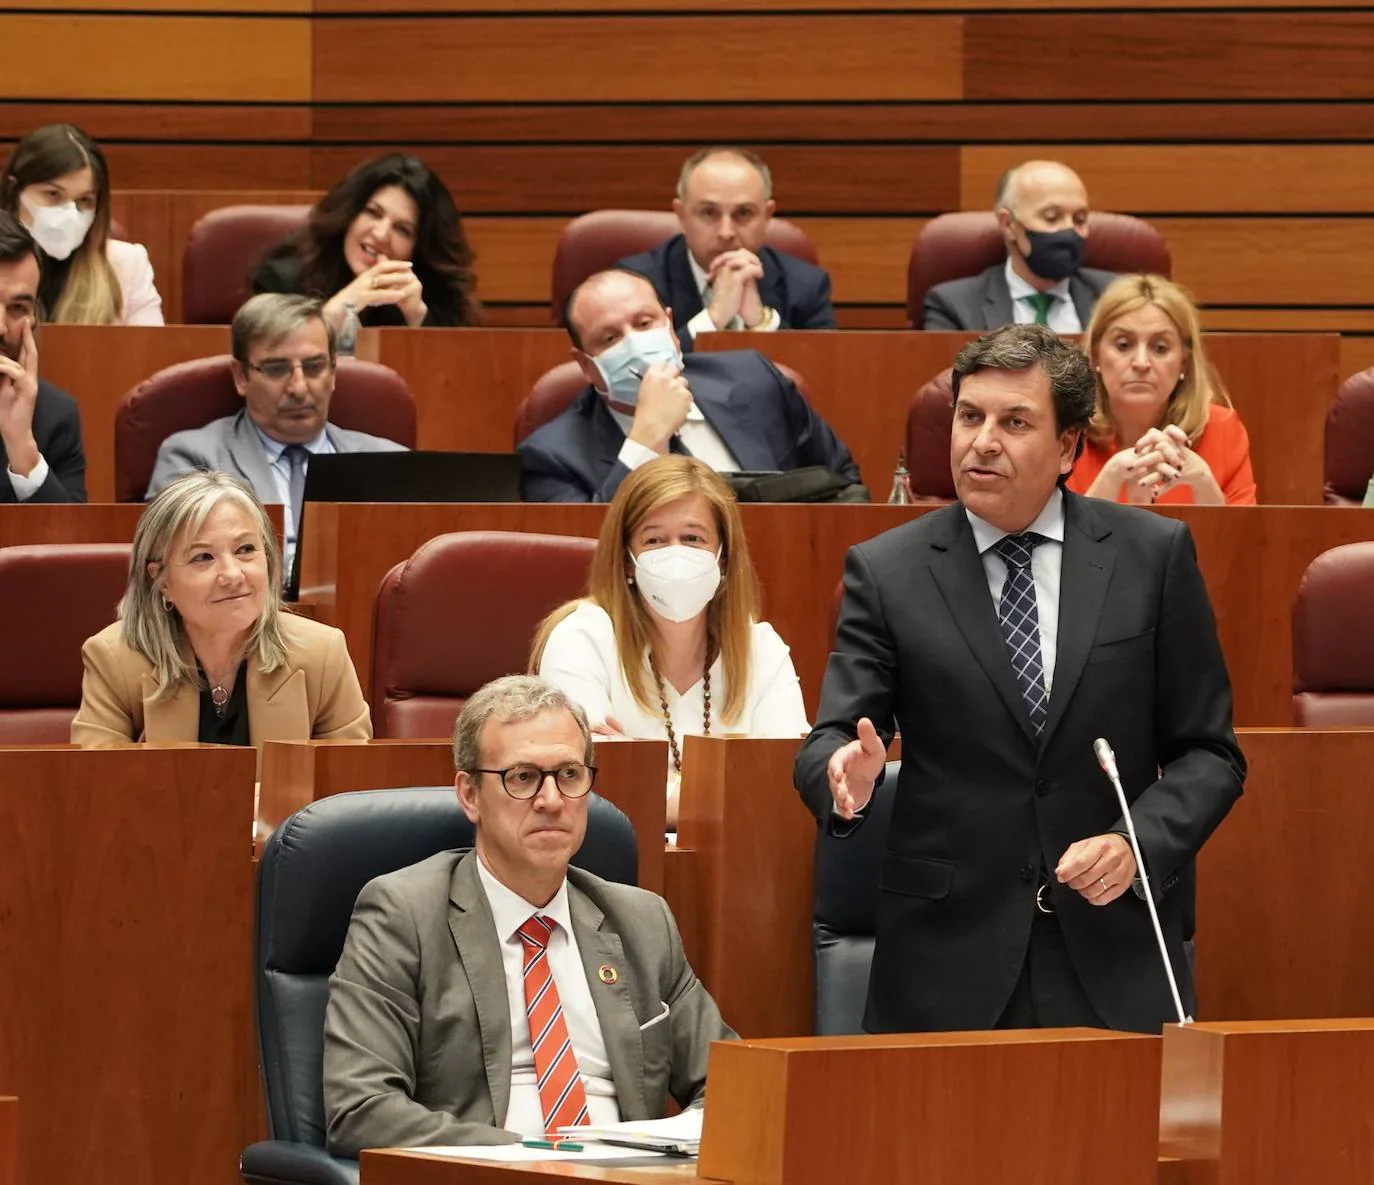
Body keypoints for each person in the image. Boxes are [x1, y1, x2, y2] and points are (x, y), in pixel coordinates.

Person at [793, 323, 1245, 1035]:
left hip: (1109, 953)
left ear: (1067, 446)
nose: (982, 440)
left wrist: (1135, 842)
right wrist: (843, 781)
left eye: (1014, 421)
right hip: (944, 964)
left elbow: (1210, 753)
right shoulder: (888, 571)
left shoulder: (1151, 556)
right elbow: (830, 740)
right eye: (970, 416)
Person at [324, 675, 733, 1155]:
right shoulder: (404, 916)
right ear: (470, 795)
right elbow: (361, 1109)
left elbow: (733, 1087)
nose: (551, 801)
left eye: (569, 774)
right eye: (522, 777)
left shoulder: (640, 921)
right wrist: (528, 1159)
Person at [533, 456, 808, 825]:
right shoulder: (581, 639)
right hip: (611, 867)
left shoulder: (762, 648)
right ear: (628, 561)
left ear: (723, 559)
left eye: (693, 538)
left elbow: (782, 786)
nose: (675, 553)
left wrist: (643, 784)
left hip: (740, 865)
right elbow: (584, 793)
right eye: (654, 540)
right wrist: (733, 790)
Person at [71, 471, 371, 754]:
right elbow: (98, 789)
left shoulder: (322, 651)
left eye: (245, 550)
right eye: (203, 557)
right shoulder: (115, 659)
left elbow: (349, 786)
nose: (232, 574)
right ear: (161, 581)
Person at [520, 268, 860, 503]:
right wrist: (645, 440)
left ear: (670, 325)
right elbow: (583, 552)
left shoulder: (755, 380)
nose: (635, 344)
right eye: (610, 338)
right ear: (586, 365)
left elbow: (844, 481)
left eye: (644, 322)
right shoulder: (551, 456)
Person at [146, 293, 406, 574]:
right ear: (241, 377)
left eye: (314, 367)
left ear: (333, 371)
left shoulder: (392, 462)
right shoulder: (193, 459)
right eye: (276, 369)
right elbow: (181, 573)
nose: (299, 388)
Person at [616, 147, 835, 349]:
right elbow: (633, 376)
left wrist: (761, 322)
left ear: (767, 216)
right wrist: (712, 319)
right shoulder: (637, 284)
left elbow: (825, 376)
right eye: (709, 213)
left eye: (743, 213)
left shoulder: (806, 286)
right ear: (681, 215)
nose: (726, 232)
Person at [1068, 274, 1256, 506]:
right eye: (1123, 345)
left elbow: (1241, 541)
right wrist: (1111, 479)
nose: (1141, 362)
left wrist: (1204, 483)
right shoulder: (1066, 432)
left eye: (1160, 347)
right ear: (1096, 354)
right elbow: (1052, 540)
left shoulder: (1221, 430)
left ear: (1184, 363)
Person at [253, 152, 479, 330]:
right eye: (373, 213)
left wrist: (419, 318)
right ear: (349, 214)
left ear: (418, 248)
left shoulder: (434, 299)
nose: (381, 234)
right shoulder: (283, 281)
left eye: (402, 229)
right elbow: (266, 362)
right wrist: (334, 313)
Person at [922, 161, 1113, 333]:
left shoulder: (1117, 297)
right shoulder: (953, 306)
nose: (1068, 230)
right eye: (1051, 218)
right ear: (1008, 225)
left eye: (1079, 219)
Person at [0, 124, 162, 325]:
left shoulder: (127, 267)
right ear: (13, 190)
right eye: (53, 194)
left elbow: (150, 353)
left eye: (84, 200)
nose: (69, 215)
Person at [0, 212, 86, 503]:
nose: (0, 327)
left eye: (17, 308)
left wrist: (22, 446)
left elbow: (68, 545)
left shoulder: (54, 416)